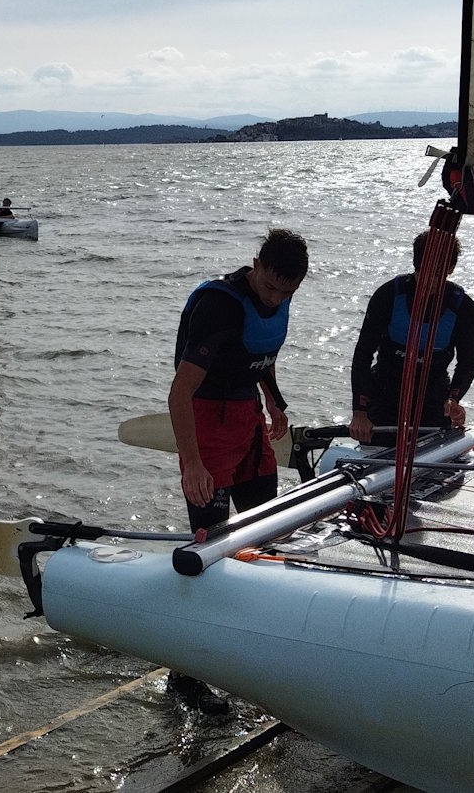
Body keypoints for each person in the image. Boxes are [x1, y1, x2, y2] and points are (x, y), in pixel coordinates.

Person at [166, 227, 309, 713]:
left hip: (246, 426)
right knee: (210, 554)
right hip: (206, 428)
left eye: (286, 291)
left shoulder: (282, 297)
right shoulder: (219, 305)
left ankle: (254, 648)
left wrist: (276, 404)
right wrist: (192, 464)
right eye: (269, 286)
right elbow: (179, 393)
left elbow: (260, 356)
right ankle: (185, 677)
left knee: (265, 538)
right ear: (255, 265)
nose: (275, 296)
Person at [349, 230, 474, 443]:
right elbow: (362, 355)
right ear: (415, 265)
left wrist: (453, 399)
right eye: (422, 271)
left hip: (433, 400)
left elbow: (468, 363)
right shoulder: (388, 295)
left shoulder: (464, 308)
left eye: (436, 275)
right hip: (384, 395)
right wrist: (359, 413)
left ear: (451, 268)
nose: (428, 281)